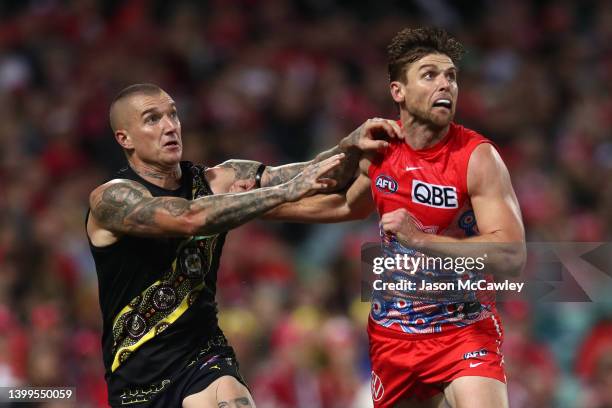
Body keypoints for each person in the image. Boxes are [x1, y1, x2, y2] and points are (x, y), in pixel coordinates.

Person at [86, 83, 401, 407]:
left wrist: (353, 146)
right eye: (152, 119)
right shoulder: (111, 200)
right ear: (124, 138)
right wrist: (287, 191)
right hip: (136, 382)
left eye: (173, 115)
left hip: (204, 359)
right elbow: (190, 218)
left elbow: (319, 176)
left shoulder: (219, 180)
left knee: (231, 397)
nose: (169, 126)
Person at [269, 27, 526, 407]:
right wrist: (263, 208)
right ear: (398, 92)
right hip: (393, 338)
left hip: (464, 330)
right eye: (430, 75)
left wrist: (420, 238)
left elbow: (511, 256)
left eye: (451, 76)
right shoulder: (383, 149)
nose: (446, 85)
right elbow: (345, 205)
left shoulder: (477, 157)